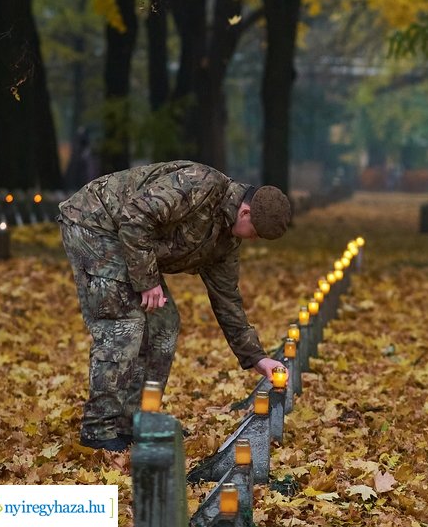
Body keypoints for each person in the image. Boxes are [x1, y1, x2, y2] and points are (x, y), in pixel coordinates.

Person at [58, 160, 291, 452]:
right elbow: (134, 215)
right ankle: (99, 428)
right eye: (255, 232)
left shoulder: (225, 241)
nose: (253, 240)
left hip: (131, 244)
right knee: (124, 324)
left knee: (164, 325)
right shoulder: (199, 184)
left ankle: (137, 420)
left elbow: (227, 299)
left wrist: (257, 358)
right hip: (96, 223)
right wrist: (147, 281)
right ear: (245, 212)